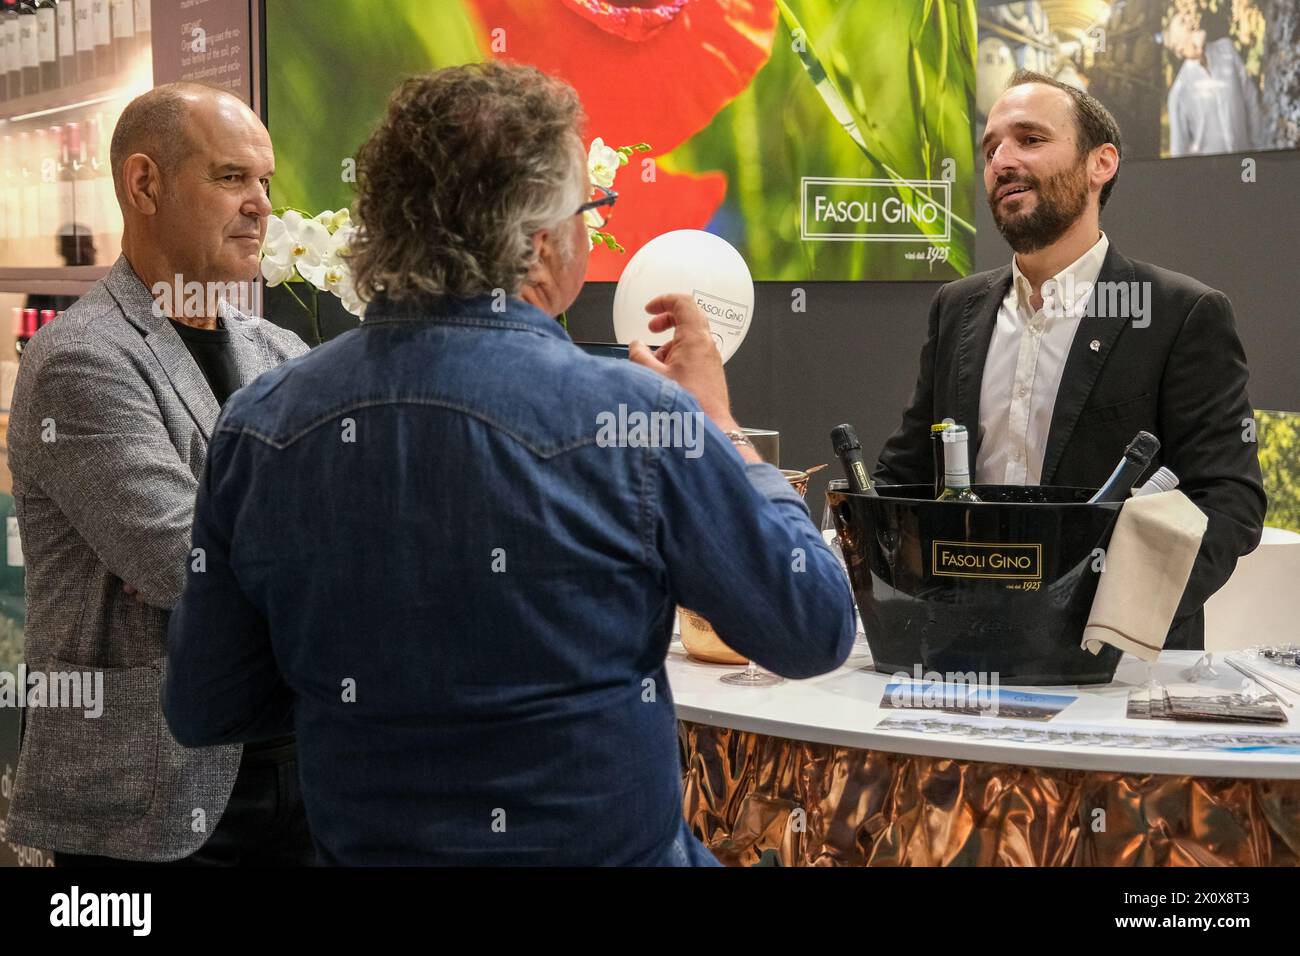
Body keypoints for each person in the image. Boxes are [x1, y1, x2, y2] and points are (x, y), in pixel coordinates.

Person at [161, 63, 855, 866]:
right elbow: (811, 628)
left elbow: (207, 705)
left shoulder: (259, 427)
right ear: (539, 243)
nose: (590, 236)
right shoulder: (640, 421)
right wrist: (723, 428)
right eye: (588, 212)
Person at [5, 82, 313, 865]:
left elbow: (351, 525)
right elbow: (181, 562)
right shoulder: (84, 358)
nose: (261, 205)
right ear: (144, 184)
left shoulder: (281, 353)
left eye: (266, 183)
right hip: (154, 801)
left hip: (304, 769)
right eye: (231, 177)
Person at [874, 70, 1266, 651]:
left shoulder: (1180, 313)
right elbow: (905, 476)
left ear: (1100, 163)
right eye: (990, 149)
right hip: (960, 648)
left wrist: (1114, 616)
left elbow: (1229, 500)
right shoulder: (956, 308)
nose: (1002, 160)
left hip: (1116, 670)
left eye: (1029, 140)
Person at [1165, 8, 1266, 157]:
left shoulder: (1227, 50)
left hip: (1248, 166)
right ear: (1178, 48)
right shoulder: (1179, 93)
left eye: (1189, 15)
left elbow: (1251, 101)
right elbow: (1179, 154)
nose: (1191, 19)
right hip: (1213, 176)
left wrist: (1261, 150)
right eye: (1182, 21)